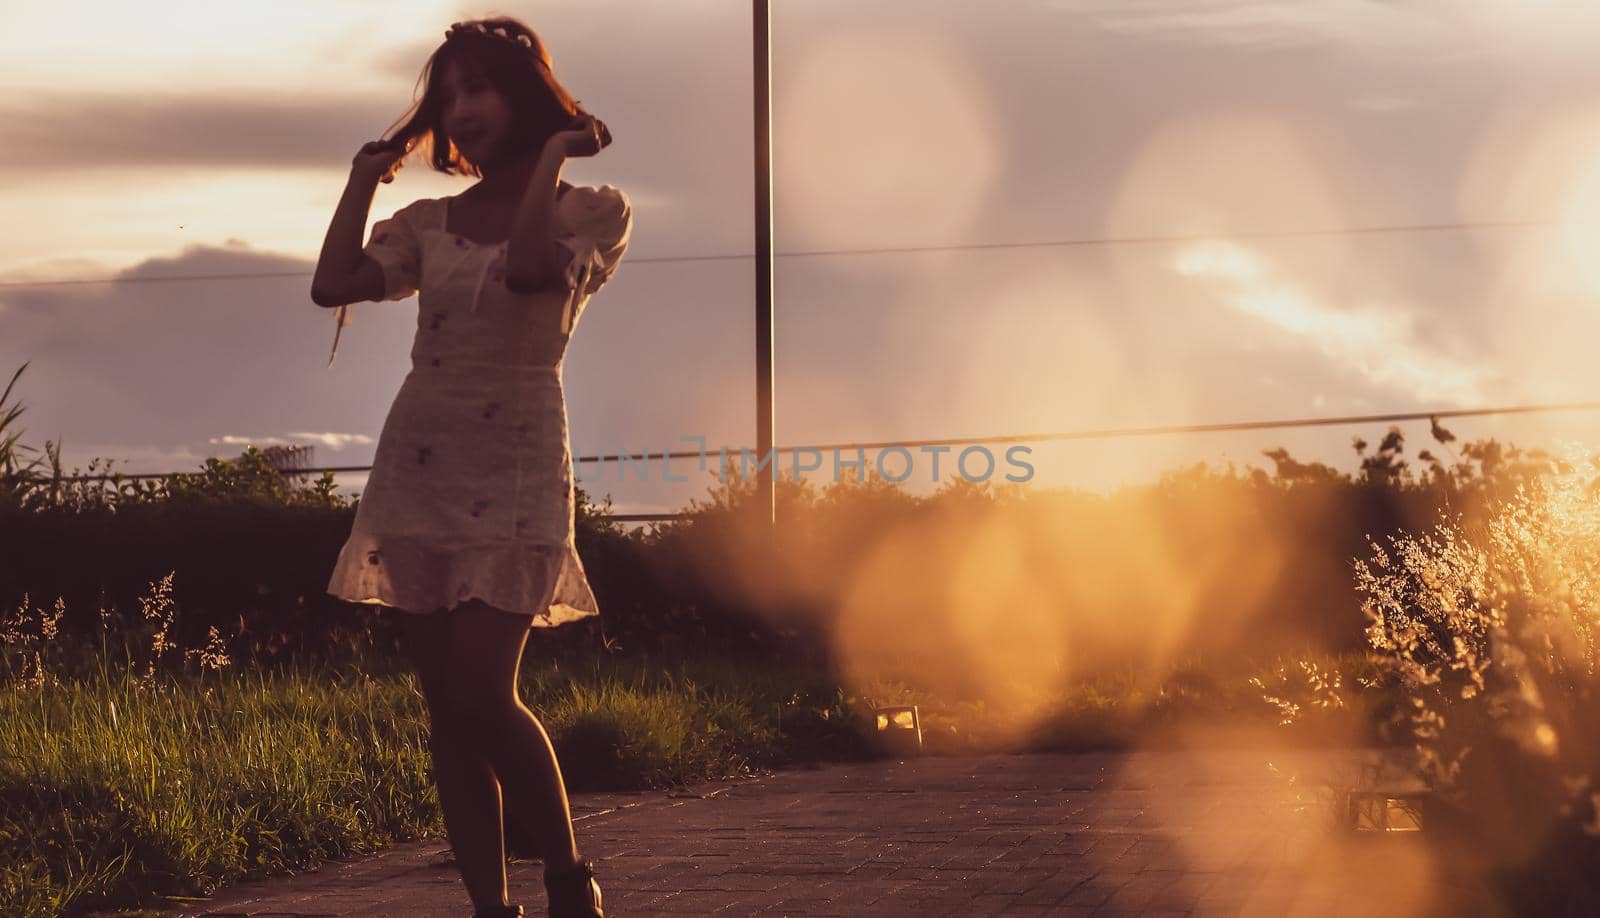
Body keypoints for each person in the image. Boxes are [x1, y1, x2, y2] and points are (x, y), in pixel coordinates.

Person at [310, 16, 632, 918]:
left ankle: (567, 876)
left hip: (521, 458)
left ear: (524, 97)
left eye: (482, 87)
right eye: (452, 95)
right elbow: (333, 285)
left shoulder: (593, 210)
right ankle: (491, 909)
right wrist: (358, 185)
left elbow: (530, 270)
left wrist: (555, 160)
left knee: (484, 694)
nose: (464, 109)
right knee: (447, 713)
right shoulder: (424, 223)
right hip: (420, 462)